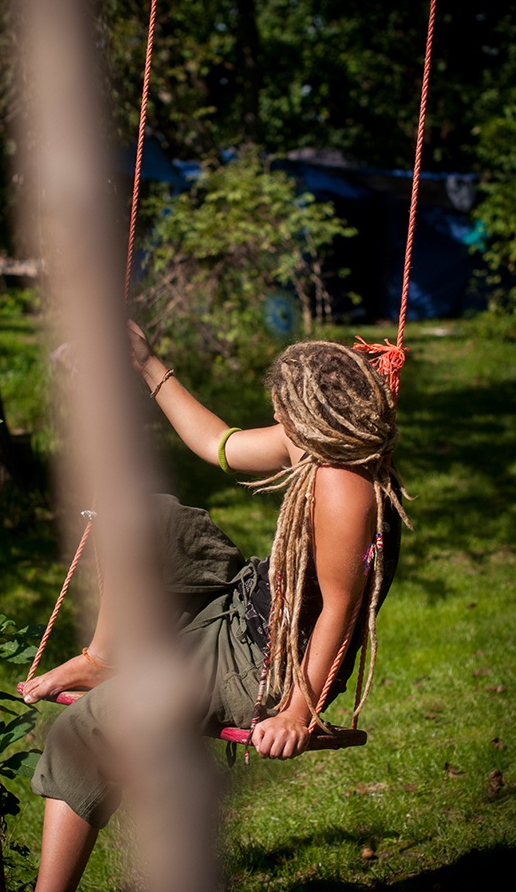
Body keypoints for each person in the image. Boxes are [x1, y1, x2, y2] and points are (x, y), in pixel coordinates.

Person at [21, 322, 410, 891]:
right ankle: (104, 656)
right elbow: (219, 445)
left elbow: (339, 611)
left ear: (308, 422)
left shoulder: (344, 487)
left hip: (261, 661)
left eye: (282, 416)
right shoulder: (323, 443)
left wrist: (297, 710)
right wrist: (148, 364)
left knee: (80, 733)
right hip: (248, 601)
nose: (276, 425)